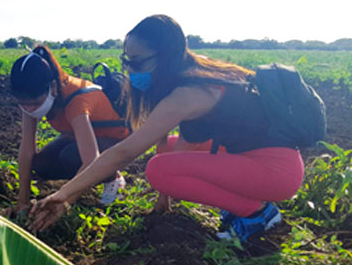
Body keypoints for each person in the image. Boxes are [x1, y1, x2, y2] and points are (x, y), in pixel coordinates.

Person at [30, 15, 305, 241]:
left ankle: (257, 213)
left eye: (137, 62)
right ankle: (241, 204)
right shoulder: (192, 74)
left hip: (275, 172)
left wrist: (63, 195)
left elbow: (124, 152)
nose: (129, 68)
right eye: (126, 60)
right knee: (165, 157)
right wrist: (164, 200)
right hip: (254, 156)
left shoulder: (188, 94)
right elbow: (180, 141)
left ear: (166, 57)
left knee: (157, 169)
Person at [9, 45, 130, 214]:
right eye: (23, 104)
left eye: (35, 103)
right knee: (41, 163)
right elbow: (27, 150)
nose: (29, 109)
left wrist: (62, 201)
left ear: (53, 87)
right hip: (79, 136)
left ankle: (112, 177)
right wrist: (23, 201)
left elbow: (91, 160)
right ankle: (81, 182)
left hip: (114, 139)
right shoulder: (31, 99)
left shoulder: (77, 101)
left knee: (71, 157)